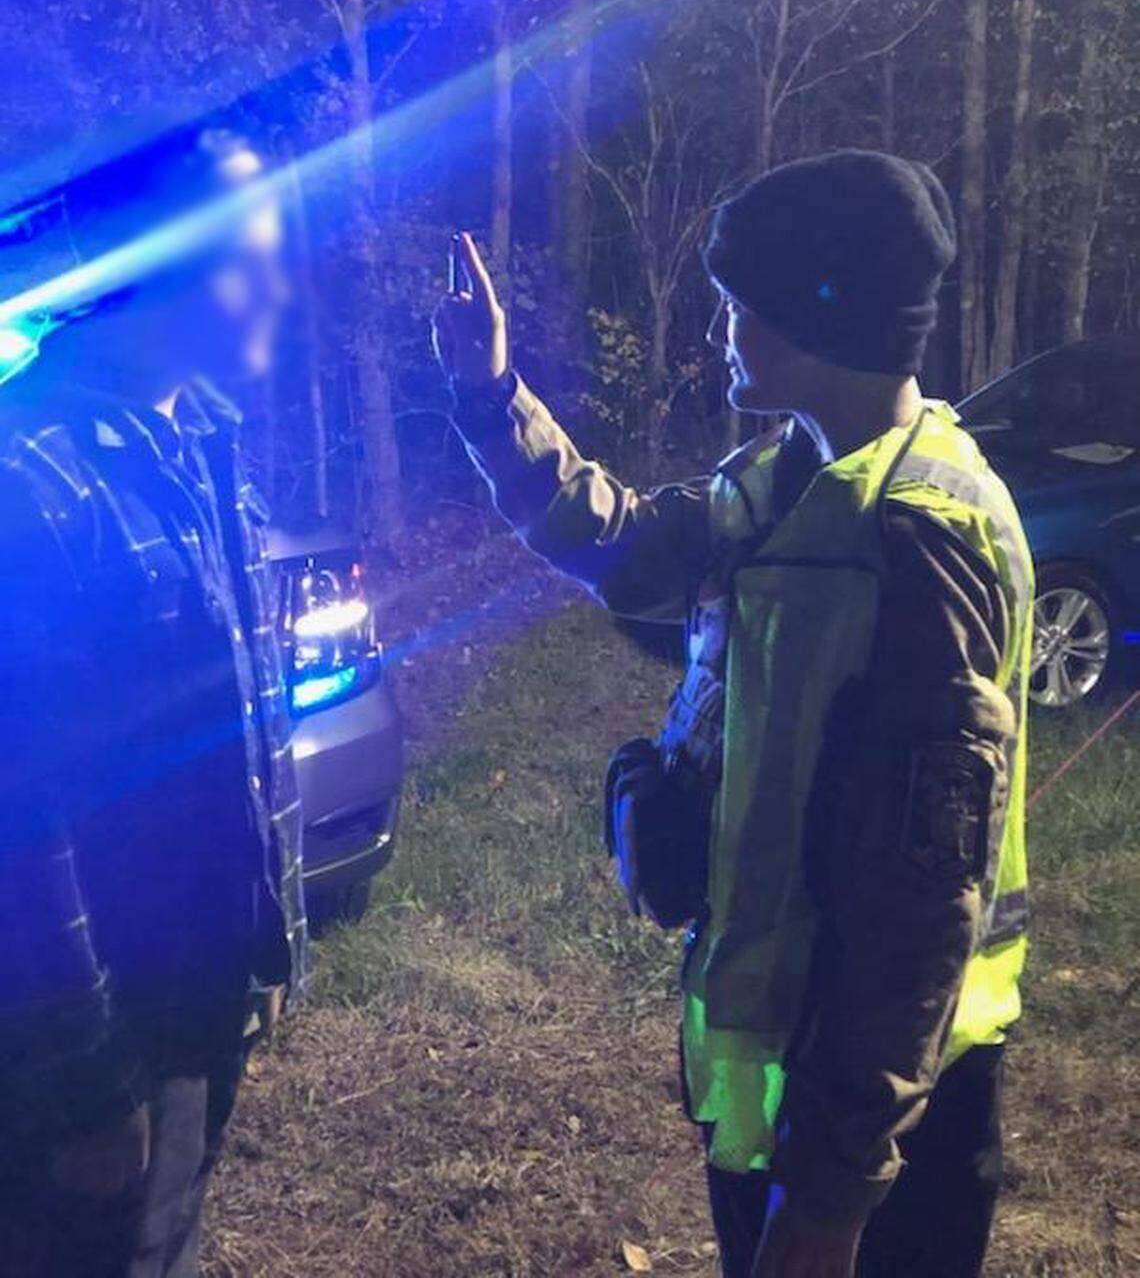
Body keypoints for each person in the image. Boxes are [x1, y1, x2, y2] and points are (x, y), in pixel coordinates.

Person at [434, 150, 1031, 1278]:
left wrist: (833, 1194)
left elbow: (921, 907)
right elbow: (622, 547)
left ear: (818, 315)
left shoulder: (919, 538)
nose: (718, 332)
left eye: (734, 307)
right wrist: (489, 396)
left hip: (888, 1133)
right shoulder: (786, 478)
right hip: (790, 1095)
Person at [0, 128, 305, 1277]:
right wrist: (81, 1081)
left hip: (196, 995)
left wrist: (261, 951)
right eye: (250, 254)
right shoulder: (26, 474)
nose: (279, 284)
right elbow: (19, 823)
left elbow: (236, 721)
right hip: (86, 1046)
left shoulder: (202, 440)